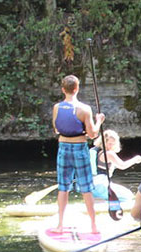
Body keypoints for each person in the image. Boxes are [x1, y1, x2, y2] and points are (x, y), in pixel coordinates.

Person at [52, 75, 104, 233]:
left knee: (63, 187)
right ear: (77, 89)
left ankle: (60, 225)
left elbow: (56, 129)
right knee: (86, 187)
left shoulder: (57, 107)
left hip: (63, 147)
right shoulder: (84, 109)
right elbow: (93, 133)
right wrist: (99, 120)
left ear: (63, 90)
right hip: (79, 148)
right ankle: (94, 226)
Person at [90, 129, 141, 200]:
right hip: (101, 185)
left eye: (113, 144)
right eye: (109, 144)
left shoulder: (97, 152)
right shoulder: (109, 153)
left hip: (92, 185)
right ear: (103, 142)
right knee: (128, 196)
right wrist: (135, 159)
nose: (111, 146)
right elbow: (122, 166)